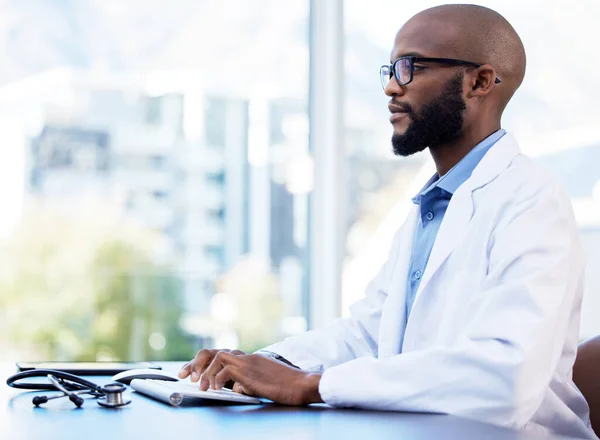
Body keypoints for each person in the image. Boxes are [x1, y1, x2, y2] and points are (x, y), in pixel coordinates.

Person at [178, 4, 596, 438]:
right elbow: (369, 334)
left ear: (480, 82)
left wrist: (312, 385)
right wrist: (261, 364)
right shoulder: (433, 204)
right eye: (391, 69)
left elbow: (505, 379)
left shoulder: (532, 201)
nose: (392, 87)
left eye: (410, 67)